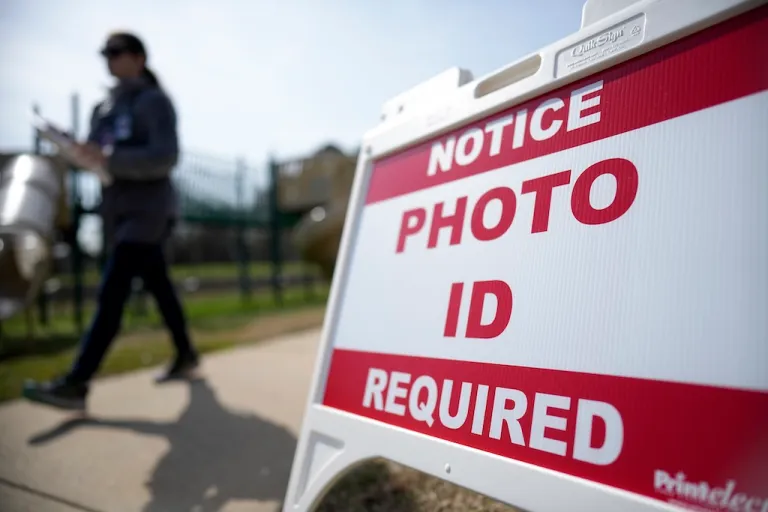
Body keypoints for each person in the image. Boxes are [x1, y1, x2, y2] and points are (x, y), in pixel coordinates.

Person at [23, 32, 199, 411]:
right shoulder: (102, 108)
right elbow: (96, 159)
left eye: (117, 53)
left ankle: (77, 382)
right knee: (160, 286)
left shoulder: (154, 102)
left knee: (112, 292)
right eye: (106, 53)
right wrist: (78, 151)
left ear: (138, 58)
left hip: (149, 211)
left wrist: (110, 158)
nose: (110, 59)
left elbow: (165, 157)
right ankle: (186, 353)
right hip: (117, 212)